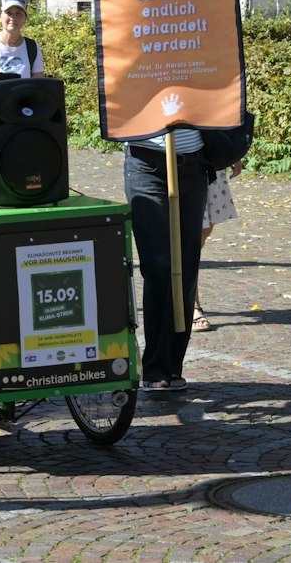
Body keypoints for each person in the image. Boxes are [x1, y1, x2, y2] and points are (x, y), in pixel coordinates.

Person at [122, 126, 208, 394]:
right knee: (159, 264)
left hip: (193, 164)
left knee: (186, 265)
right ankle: (155, 367)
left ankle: (172, 365)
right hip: (145, 165)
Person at [194, 167, 237, 332]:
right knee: (191, 237)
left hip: (208, 160)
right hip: (177, 159)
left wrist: (233, 152)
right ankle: (191, 305)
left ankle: (179, 287)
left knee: (204, 230)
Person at [0, 0, 46, 78]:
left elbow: (38, 86)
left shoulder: (32, 47)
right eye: (8, 13)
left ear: (25, 18)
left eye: (18, 13)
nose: (13, 18)